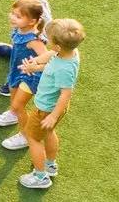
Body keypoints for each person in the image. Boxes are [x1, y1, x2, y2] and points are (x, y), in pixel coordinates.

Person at [17, 17, 84, 190]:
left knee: (32, 138)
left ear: (59, 47)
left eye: (50, 41)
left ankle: (40, 177)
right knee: (48, 133)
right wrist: (36, 64)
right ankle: (50, 165)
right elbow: (51, 57)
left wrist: (53, 116)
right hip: (51, 109)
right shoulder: (69, 53)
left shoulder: (64, 69)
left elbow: (66, 94)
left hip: (46, 109)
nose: (47, 43)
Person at [0, 0, 48, 145]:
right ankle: (13, 114)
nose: (12, 18)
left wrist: (34, 67)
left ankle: (25, 136)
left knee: (19, 104)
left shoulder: (33, 40)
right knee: (13, 94)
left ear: (32, 21)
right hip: (17, 69)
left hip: (29, 76)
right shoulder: (19, 30)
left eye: (18, 16)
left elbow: (48, 58)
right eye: (13, 13)